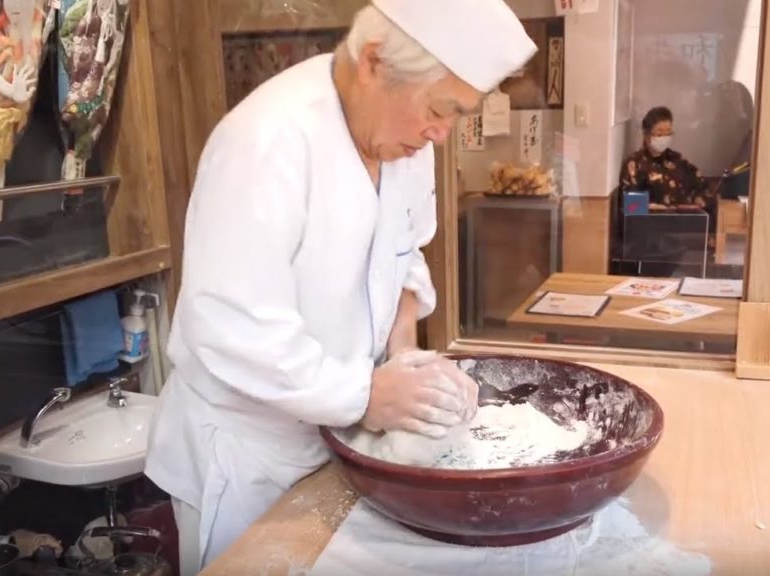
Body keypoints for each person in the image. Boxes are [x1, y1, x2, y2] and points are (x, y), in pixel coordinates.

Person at [143, 2, 536, 574]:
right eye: (438, 109)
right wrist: (371, 396)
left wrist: (406, 354)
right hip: (251, 454)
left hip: (340, 438)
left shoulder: (404, 141)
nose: (440, 133)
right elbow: (228, 326)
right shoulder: (269, 139)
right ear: (375, 62)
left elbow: (405, 255)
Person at [618, 106, 714, 211]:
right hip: (650, 223)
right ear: (646, 135)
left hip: (682, 223)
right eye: (659, 134)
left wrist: (699, 199)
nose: (664, 138)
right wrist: (654, 208)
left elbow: (701, 185)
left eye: (668, 133)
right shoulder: (634, 164)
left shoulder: (678, 160)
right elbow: (630, 205)